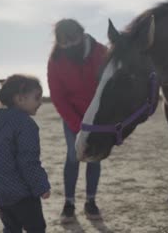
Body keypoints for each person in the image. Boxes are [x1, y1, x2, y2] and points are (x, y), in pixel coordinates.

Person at [47, 18, 108, 222]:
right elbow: (57, 96)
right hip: (72, 116)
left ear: (81, 35)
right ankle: (69, 203)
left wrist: (101, 117)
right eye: (65, 43)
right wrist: (76, 125)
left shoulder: (101, 52)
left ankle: (91, 203)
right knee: (74, 157)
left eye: (73, 41)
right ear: (59, 42)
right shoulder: (55, 60)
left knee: (95, 156)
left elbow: (108, 86)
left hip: (99, 116)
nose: (70, 46)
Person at [0, 74, 51, 233]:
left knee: (11, 228)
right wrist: (41, 186)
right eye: (37, 97)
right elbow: (28, 161)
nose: (40, 102)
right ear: (20, 99)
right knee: (36, 228)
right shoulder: (25, 124)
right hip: (21, 193)